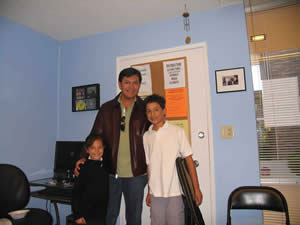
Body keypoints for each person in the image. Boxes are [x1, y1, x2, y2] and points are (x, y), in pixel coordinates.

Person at [75, 67, 150, 225]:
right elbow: (95, 133)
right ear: (120, 84)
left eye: (135, 83)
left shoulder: (145, 109)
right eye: (127, 82)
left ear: (139, 85)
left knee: (134, 217)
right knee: (109, 215)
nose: (131, 86)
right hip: (110, 172)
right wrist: (82, 157)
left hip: (137, 173)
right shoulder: (107, 108)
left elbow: (153, 137)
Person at [143, 94, 202, 225]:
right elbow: (149, 165)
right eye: (148, 111)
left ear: (164, 111)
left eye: (156, 109)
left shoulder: (177, 131)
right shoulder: (146, 136)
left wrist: (196, 188)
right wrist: (149, 191)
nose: (152, 114)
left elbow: (189, 161)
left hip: (174, 192)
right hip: (155, 193)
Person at [72, 134, 109, 225]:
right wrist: (77, 215)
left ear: (104, 148)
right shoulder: (83, 167)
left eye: (100, 147)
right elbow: (76, 192)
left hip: (102, 214)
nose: (96, 151)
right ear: (87, 150)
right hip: (86, 215)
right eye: (92, 148)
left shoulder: (107, 166)